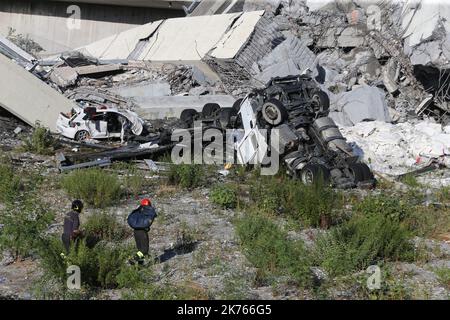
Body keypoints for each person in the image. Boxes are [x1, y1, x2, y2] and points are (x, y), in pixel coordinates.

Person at [127, 199, 157, 264]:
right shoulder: (148, 211)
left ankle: (140, 266)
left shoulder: (138, 211)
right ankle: (133, 258)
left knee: (140, 250)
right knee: (144, 250)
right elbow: (152, 216)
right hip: (142, 232)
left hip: (136, 231)